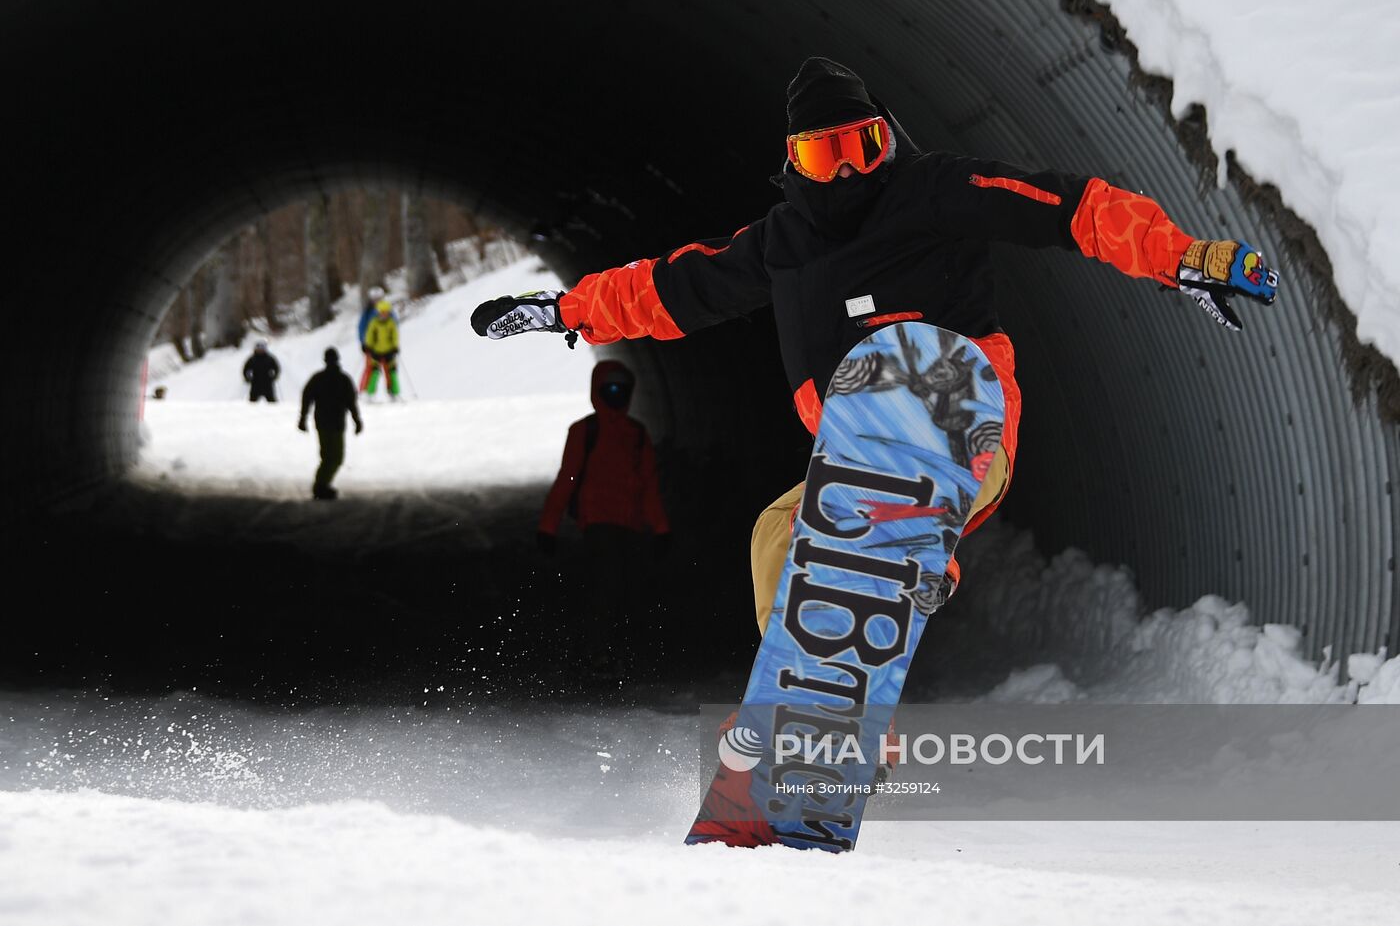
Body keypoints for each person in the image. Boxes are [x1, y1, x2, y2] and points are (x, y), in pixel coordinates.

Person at [471, 55, 1280, 638]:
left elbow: (1074, 208)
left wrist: (1181, 258)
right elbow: (667, 288)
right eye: (823, 157)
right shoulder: (783, 244)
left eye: (860, 147)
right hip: (858, 468)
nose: (845, 174)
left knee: (900, 378)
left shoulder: (939, 192)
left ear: (884, 138)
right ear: (793, 162)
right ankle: (821, 716)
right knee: (774, 537)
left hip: (965, 435)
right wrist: (564, 310)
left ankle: (915, 550)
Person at [537, 359, 671, 675]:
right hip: (598, 524)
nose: (615, 395)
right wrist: (548, 526)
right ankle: (597, 653)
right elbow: (567, 479)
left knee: (628, 590)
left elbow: (649, 485)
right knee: (605, 587)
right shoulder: (585, 431)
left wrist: (662, 528)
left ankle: (614, 651)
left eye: (621, 390)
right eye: (609, 389)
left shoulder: (637, 434)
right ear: (597, 391)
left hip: (631, 526)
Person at [298, 347, 363, 500]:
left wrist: (303, 418)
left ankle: (322, 484)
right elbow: (351, 403)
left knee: (327, 456)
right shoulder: (344, 379)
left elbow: (306, 398)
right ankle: (320, 485)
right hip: (337, 423)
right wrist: (356, 420)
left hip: (322, 422)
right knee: (337, 457)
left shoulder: (318, 378)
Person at [360, 299, 401, 400]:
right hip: (376, 351)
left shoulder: (391, 323)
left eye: (386, 312)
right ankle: (370, 393)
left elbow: (395, 335)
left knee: (392, 372)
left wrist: (395, 346)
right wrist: (367, 346)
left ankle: (394, 393)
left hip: (389, 351)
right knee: (375, 372)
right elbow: (369, 335)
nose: (384, 314)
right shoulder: (374, 322)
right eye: (382, 312)